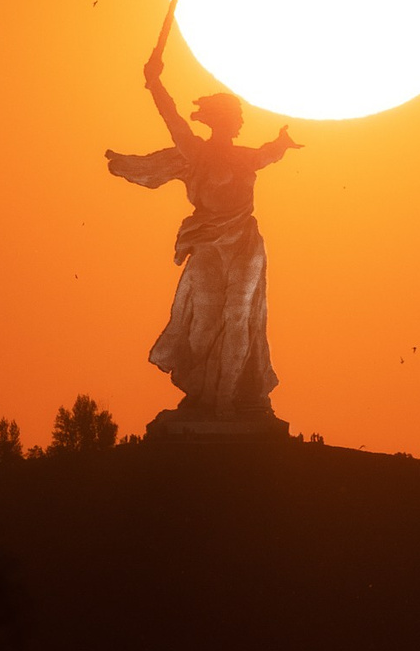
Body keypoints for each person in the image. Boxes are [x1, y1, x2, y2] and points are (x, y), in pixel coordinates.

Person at [105, 49, 300, 421]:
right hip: (209, 243)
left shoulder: (244, 158)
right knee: (204, 323)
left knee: (239, 317)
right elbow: (171, 117)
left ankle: (227, 400)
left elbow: (268, 154)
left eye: (237, 119)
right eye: (232, 118)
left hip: (244, 244)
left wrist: (281, 143)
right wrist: (154, 82)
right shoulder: (195, 152)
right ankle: (203, 394)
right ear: (217, 121)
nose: (237, 124)